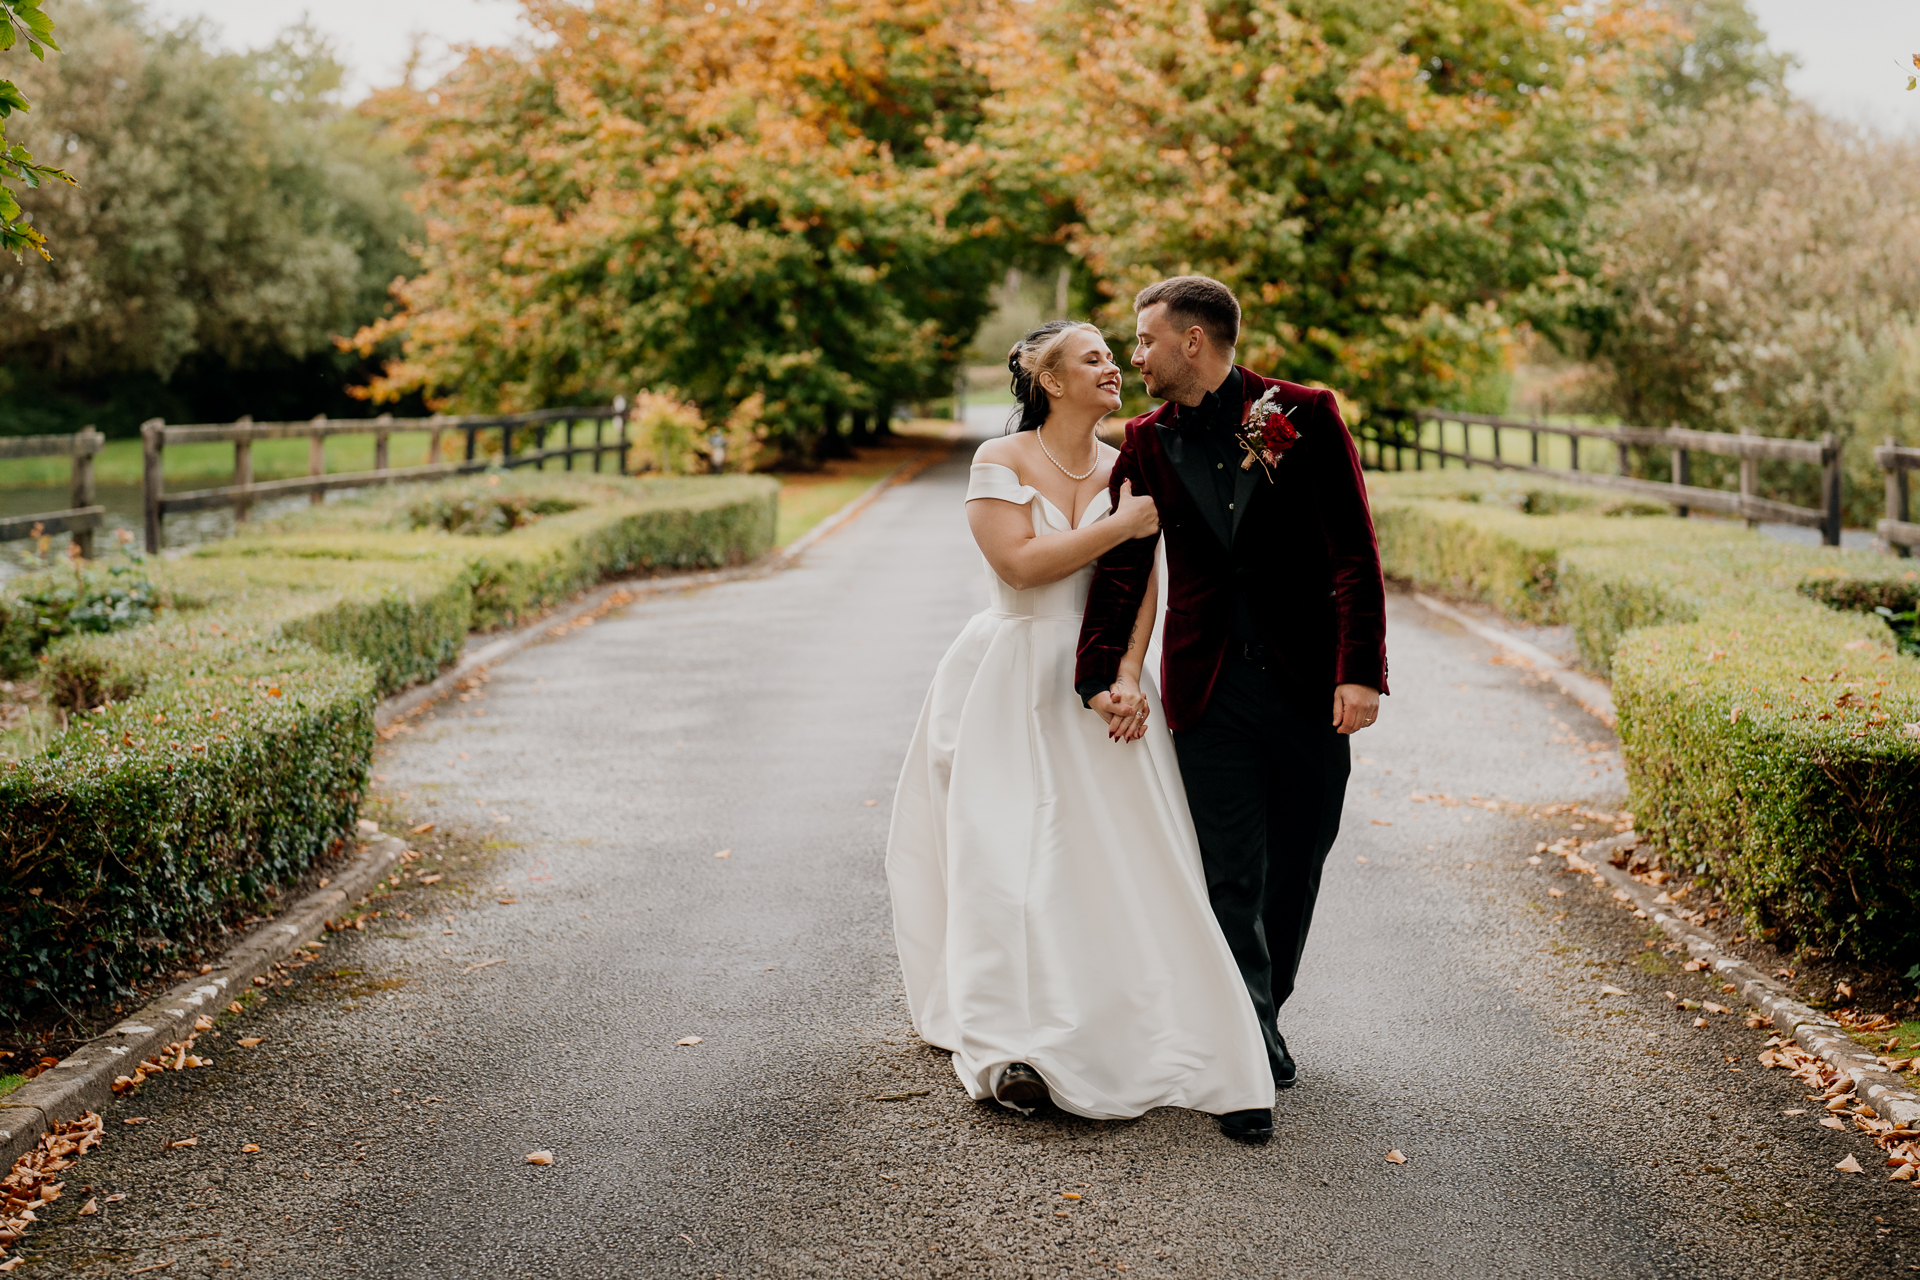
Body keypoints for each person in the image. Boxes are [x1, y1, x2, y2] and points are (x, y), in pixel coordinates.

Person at [887, 320, 1275, 1127]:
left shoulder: (1127, 461)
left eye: (1114, 356)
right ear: (1049, 379)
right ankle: (1009, 1046)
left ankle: (1115, 1017)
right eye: (1095, 357)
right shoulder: (1001, 461)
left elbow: (1143, 582)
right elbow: (1020, 564)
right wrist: (1119, 526)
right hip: (1007, 673)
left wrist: (1128, 675)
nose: (1116, 368)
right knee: (999, 854)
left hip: (1099, 682)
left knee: (1108, 859)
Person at [1075, 276, 1388, 1143]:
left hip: (1306, 686)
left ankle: (1266, 1010)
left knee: (1300, 857)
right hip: (1206, 689)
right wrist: (1102, 668)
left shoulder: (1305, 414)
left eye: (1142, 341)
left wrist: (1359, 672)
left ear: (1192, 343)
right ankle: (1244, 1055)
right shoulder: (1141, 443)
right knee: (1227, 874)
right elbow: (1125, 566)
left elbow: (1353, 553)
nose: (1132, 357)